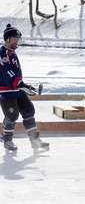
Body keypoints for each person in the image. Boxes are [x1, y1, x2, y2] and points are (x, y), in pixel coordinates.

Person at [0, 24, 49, 154]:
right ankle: (7, 139)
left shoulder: (12, 53)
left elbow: (15, 76)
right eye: (15, 39)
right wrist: (23, 85)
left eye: (18, 39)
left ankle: (35, 140)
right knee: (12, 114)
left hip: (17, 89)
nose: (17, 42)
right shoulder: (2, 53)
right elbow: (8, 74)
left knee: (29, 110)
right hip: (6, 91)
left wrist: (25, 86)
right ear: (7, 39)